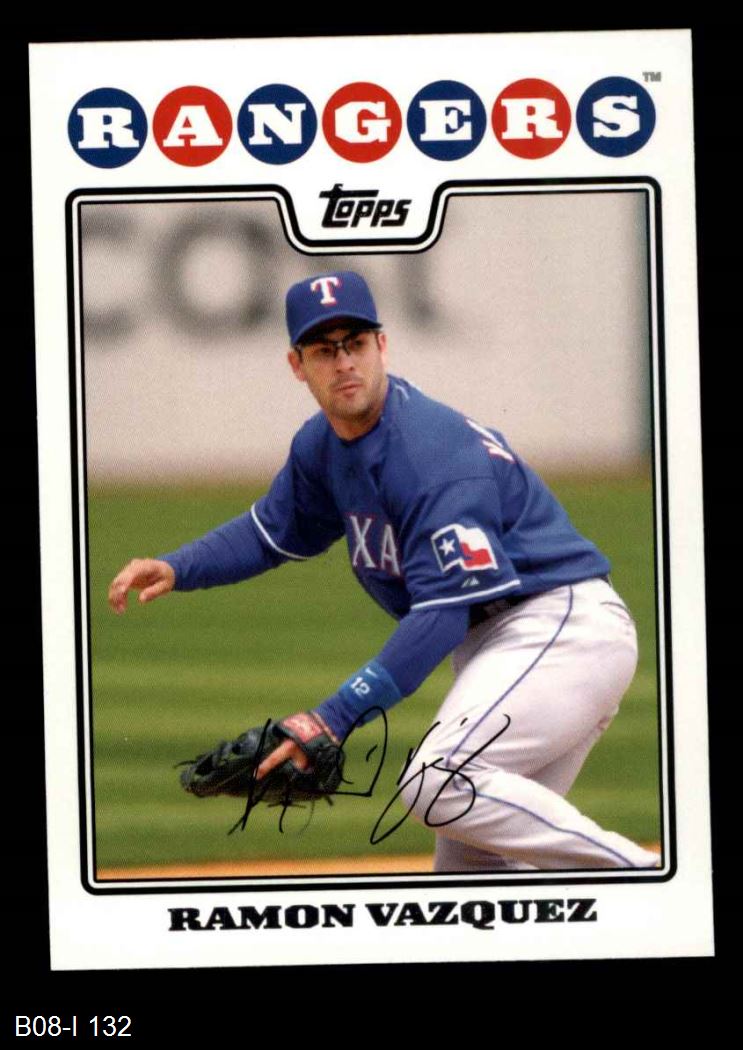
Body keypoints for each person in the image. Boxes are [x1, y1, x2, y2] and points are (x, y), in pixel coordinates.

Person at [108, 270, 659, 872]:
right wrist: (178, 566)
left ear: (382, 346)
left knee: (436, 783)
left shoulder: (428, 450)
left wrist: (332, 718)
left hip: (560, 631)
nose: (344, 362)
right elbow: (270, 532)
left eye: (356, 343)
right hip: (505, 644)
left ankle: (646, 881)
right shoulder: (322, 446)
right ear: (297, 365)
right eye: (325, 349)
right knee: (471, 876)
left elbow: (443, 614)